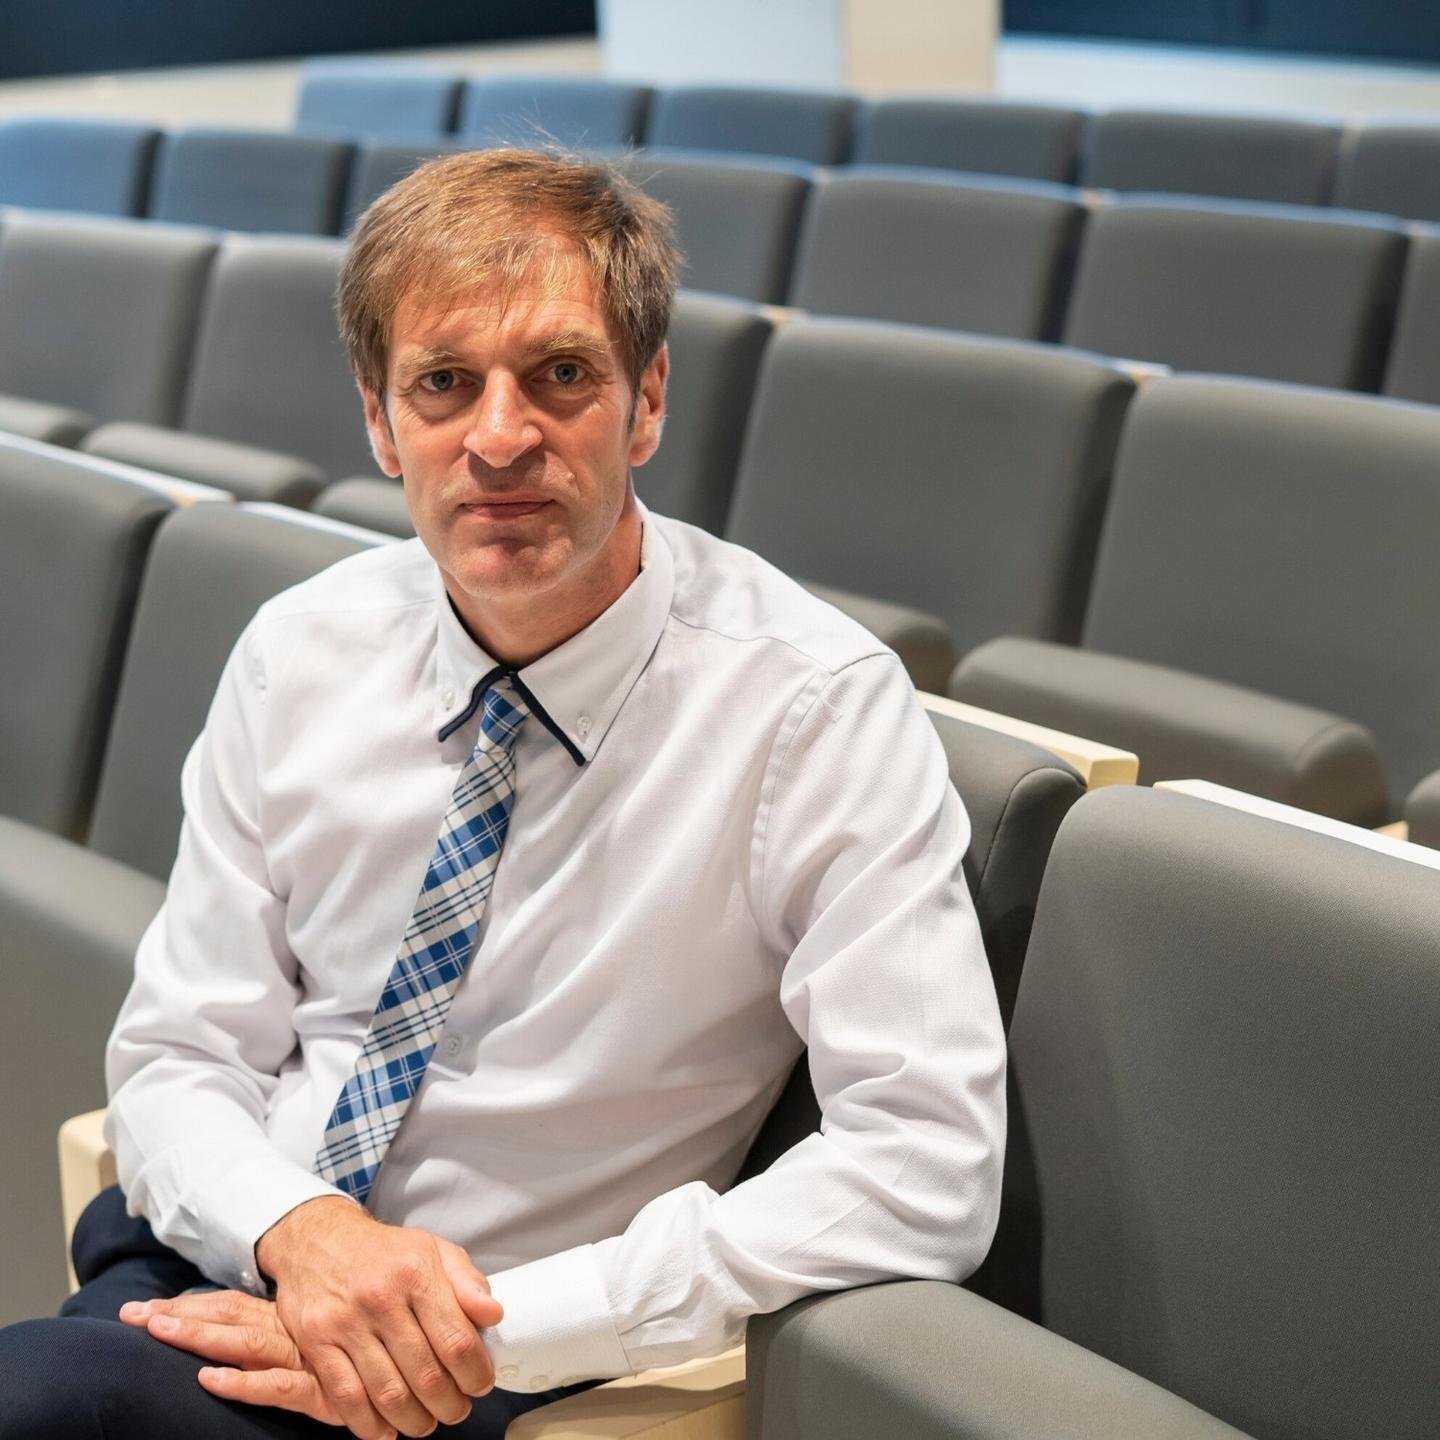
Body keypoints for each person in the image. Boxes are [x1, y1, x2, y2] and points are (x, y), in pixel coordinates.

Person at [0, 148, 1005, 1440]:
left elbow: (925, 1162)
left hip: (506, 1358)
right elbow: (180, 1052)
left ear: (647, 401)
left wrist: (487, 1328)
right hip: (232, 1260)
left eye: (561, 375)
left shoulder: (812, 710)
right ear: (380, 422)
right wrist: (302, 1233)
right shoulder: (298, 650)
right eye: (443, 383)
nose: (500, 437)